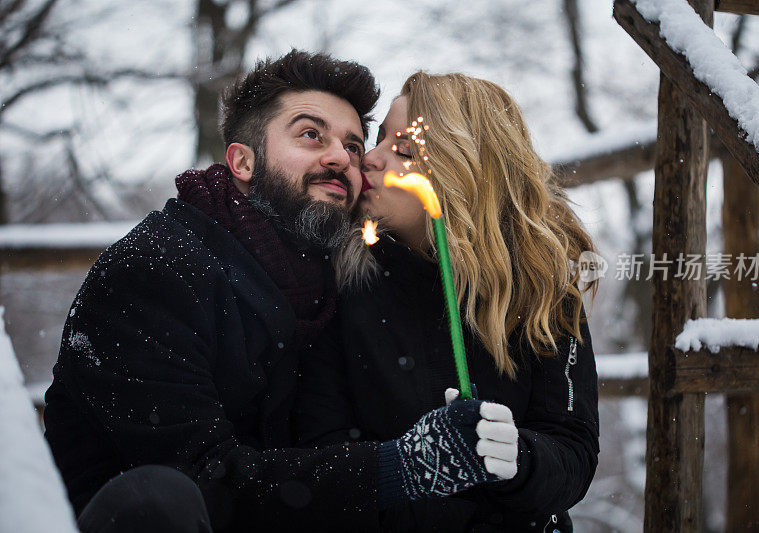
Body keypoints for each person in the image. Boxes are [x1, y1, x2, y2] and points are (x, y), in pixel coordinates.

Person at [44, 52, 511, 533]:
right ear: (242, 161)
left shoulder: (331, 283)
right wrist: (401, 467)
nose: (341, 159)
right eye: (312, 135)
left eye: (354, 146)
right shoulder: (157, 270)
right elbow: (203, 482)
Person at [295, 72, 600, 532]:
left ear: (466, 169)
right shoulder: (341, 285)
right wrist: (412, 469)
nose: (370, 159)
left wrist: (518, 458)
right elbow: (322, 454)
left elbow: (573, 450)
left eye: (404, 150)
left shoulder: (543, 287)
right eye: (378, 141)